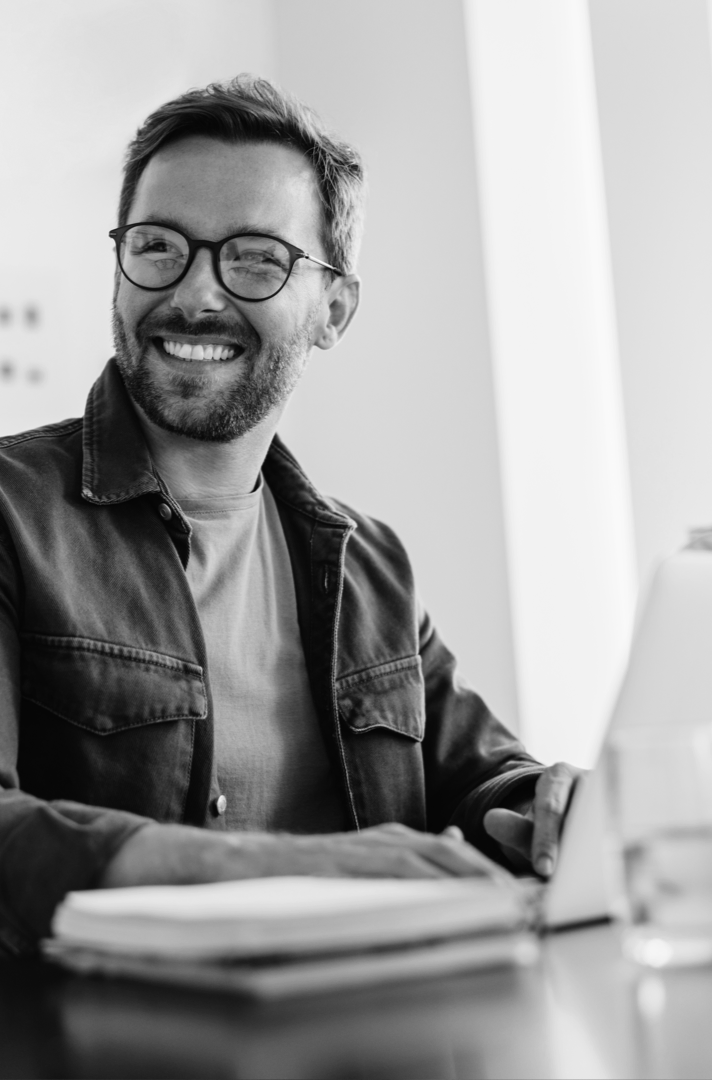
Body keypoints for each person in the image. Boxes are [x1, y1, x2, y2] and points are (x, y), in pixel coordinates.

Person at [0, 75, 580, 955]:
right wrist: (276, 873)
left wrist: (544, 805)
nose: (195, 294)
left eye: (256, 259)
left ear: (334, 310)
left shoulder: (367, 563)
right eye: (159, 246)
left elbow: (478, 777)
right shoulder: (11, 511)